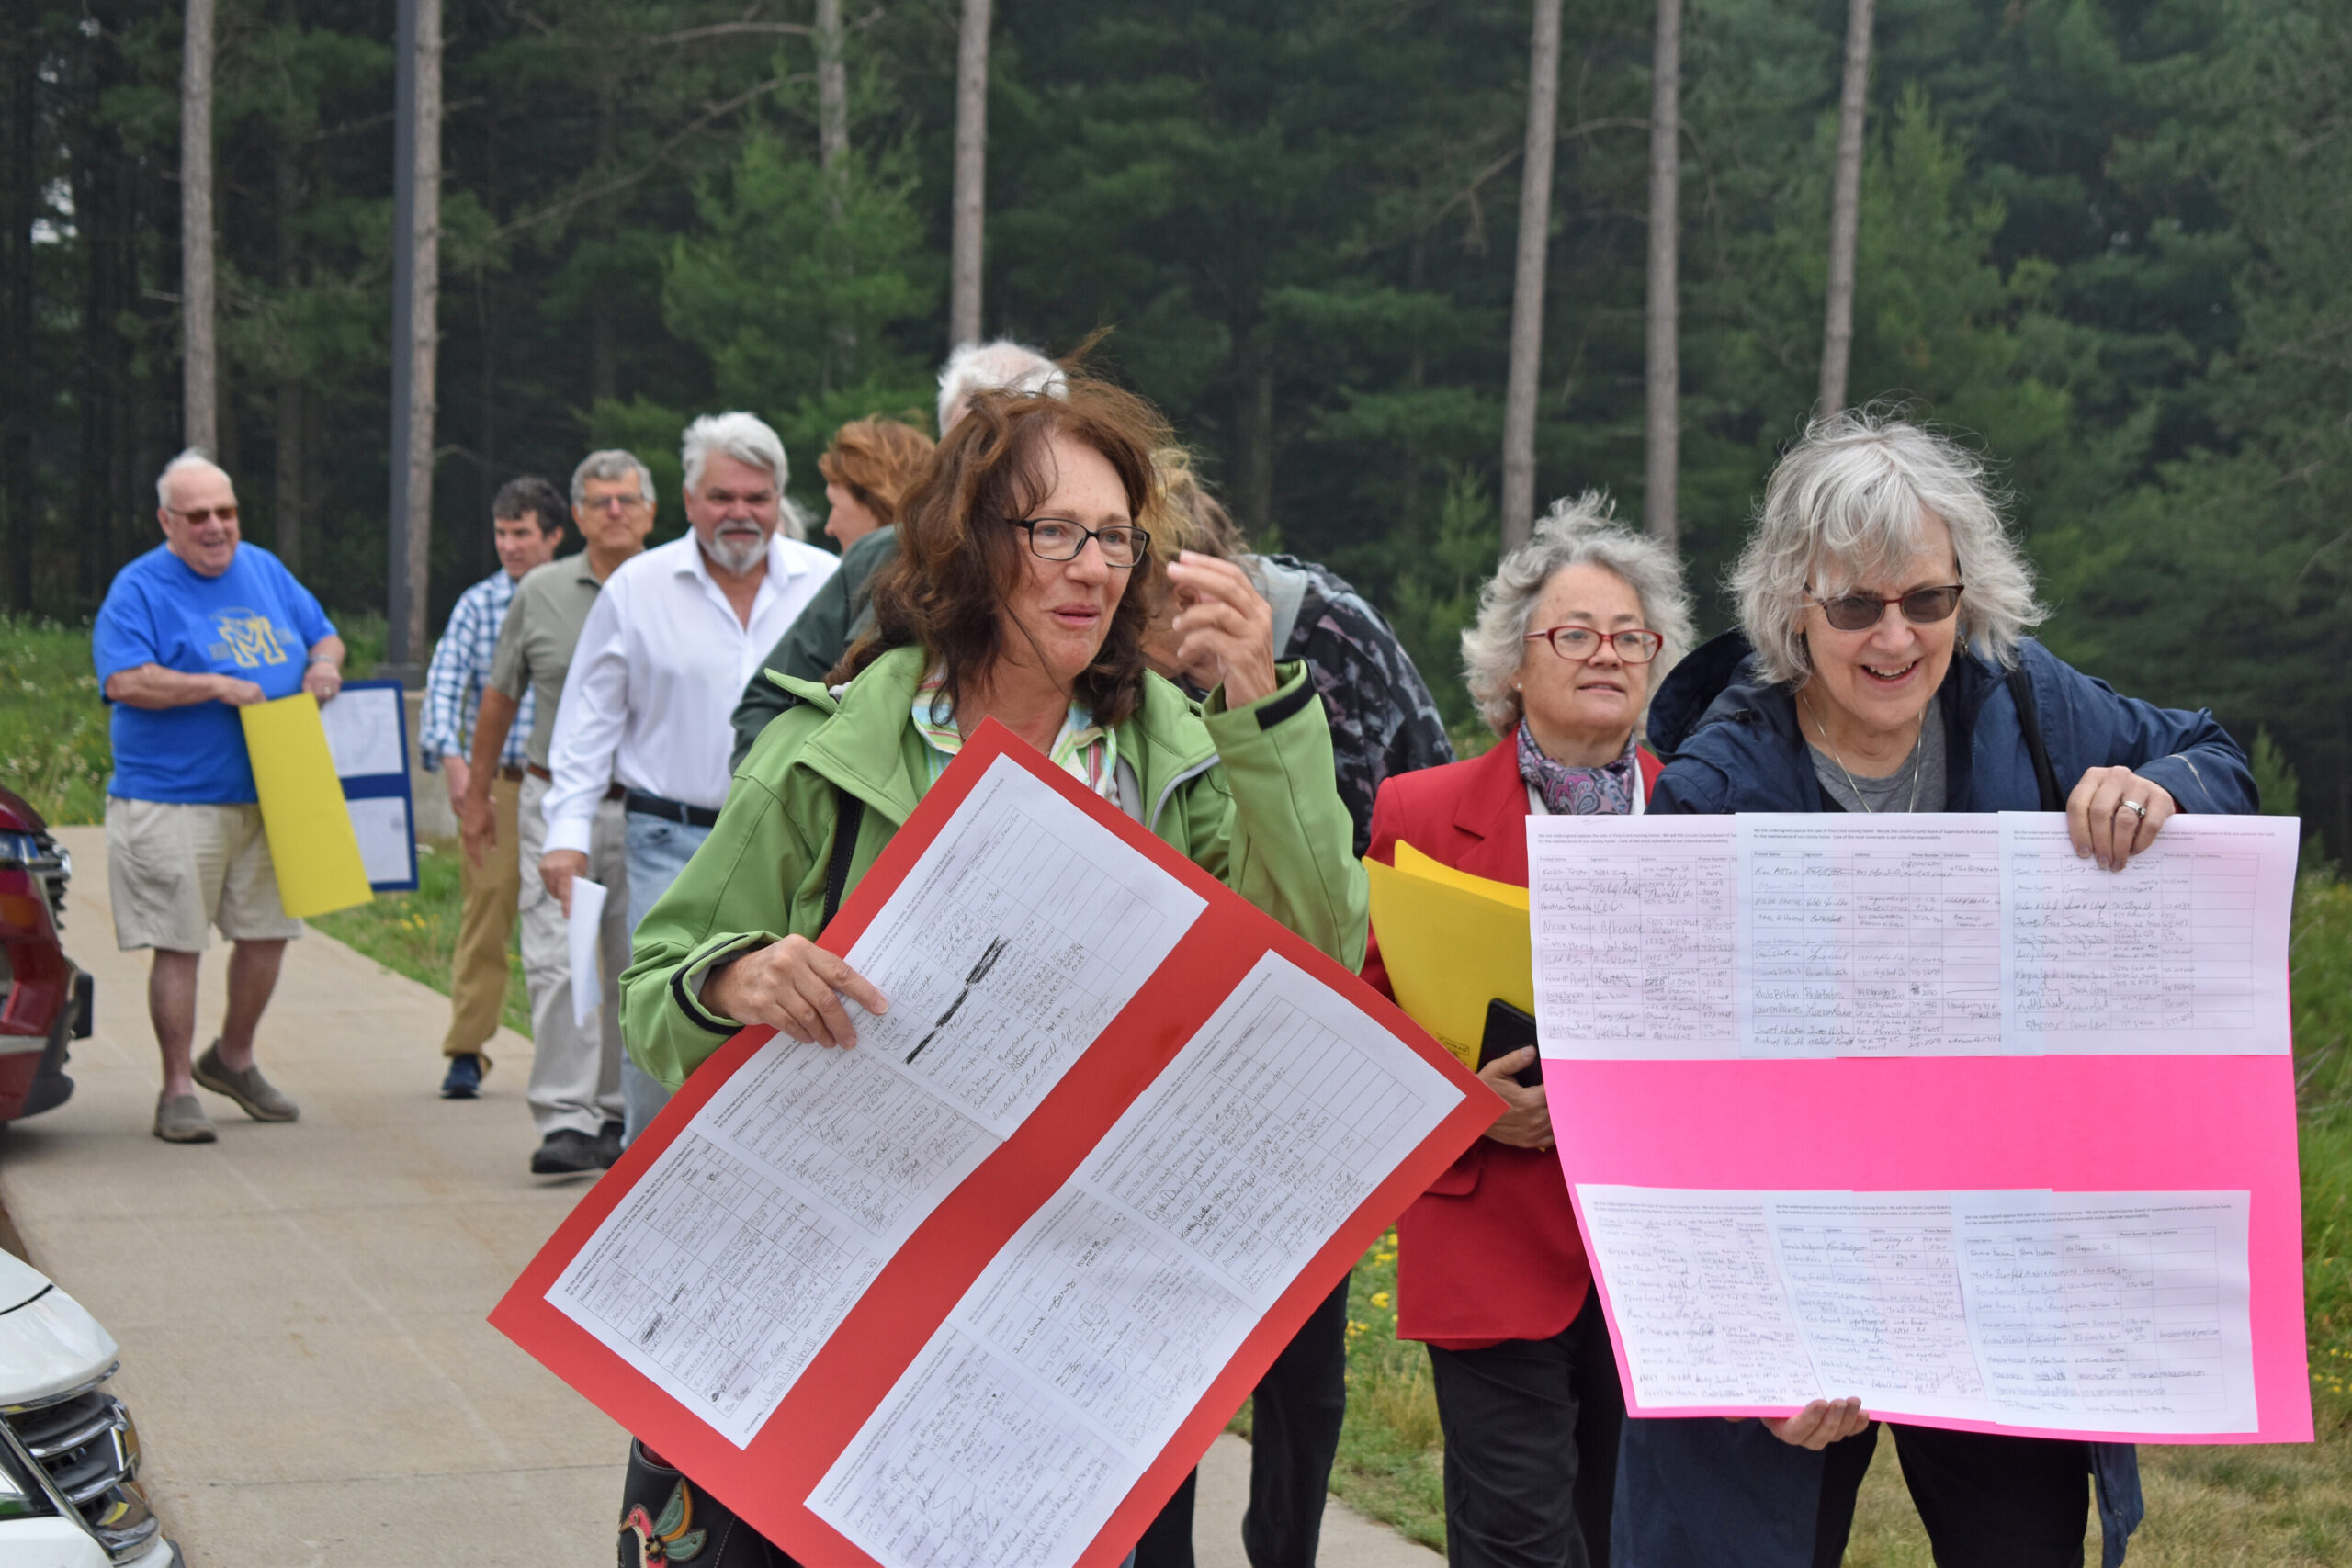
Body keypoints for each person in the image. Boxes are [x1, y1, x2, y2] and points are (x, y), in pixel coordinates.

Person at [614, 377, 1366, 1567]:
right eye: (1055, 530)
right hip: (833, 1294)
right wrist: (738, 976)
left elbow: (1318, 957)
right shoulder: (829, 749)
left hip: (1064, 1317)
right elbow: (658, 985)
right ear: (972, 543)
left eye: (1115, 536)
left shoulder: (1179, 762)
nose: (1091, 566)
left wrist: (1264, 710)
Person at [1622, 410, 2256, 1568]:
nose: (1895, 636)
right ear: (1790, 607)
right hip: (1799, 1259)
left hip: (1997, 1267)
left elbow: (2218, 756)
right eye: (1855, 606)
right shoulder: (1713, 788)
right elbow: (1673, 1110)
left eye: (1926, 599)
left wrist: (2160, 788)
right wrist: (1754, 1350)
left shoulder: (2024, 699)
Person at [1130, 451, 1454, 1568]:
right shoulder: (1083, 674)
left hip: (1303, 1041)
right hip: (1154, 1066)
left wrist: (1262, 706)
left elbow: (1423, 782)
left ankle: (1286, 1552)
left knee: (1302, 1358)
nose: (1157, 623)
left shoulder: (1333, 633)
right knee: (1158, 1365)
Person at [1357, 497, 1694, 1568]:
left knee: (1625, 1539)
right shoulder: (1417, 814)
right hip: (1492, 1237)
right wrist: (1469, 1103)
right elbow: (1368, 1029)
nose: (1607, 653)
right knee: (1516, 1544)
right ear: (1512, 664)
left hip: (1657, 1254)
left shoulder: (1708, 815)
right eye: (1575, 634)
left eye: (1628, 636)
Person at [538, 412, 839, 1145]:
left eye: (758, 497)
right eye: (722, 496)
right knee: (661, 1015)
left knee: (789, 1020)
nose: (741, 513)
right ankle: (647, 1180)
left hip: (791, 843)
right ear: (689, 499)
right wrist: (567, 835)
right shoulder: (638, 588)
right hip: (667, 840)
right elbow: (586, 723)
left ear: (779, 499)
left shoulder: (826, 585)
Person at [92, 449, 345, 1144]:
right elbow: (125, 680)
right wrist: (214, 684)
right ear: (167, 521)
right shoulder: (139, 587)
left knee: (270, 932)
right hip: (173, 797)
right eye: (198, 515)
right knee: (179, 943)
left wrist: (323, 663)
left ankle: (232, 1057)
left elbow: (323, 632)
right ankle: (177, 1088)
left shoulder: (263, 568)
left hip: (274, 789)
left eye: (226, 511)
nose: (216, 527)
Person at [458, 450, 655, 1175]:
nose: (612, 511)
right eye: (598, 500)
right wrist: (478, 797)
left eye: (625, 499)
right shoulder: (538, 591)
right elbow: (499, 697)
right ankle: (566, 1117)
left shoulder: (668, 585)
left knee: (632, 958)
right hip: (554, 798)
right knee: (559, 959)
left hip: (645, 807)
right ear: (574, 515)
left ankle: (616, 1112)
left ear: (650, 512)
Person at [729, 340, 1066, 763]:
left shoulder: (1097, 571)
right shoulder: (882, 554)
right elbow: (767, 702)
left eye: (1009, 442)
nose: (983, 462)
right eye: (968, 438)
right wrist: (791, 807)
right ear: (944, 448)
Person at [418, 475, 567, 1099]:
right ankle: (466, 1047)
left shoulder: (584, 597)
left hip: (572, 787)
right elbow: (446, 681)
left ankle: (576, 1058)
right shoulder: (478, 604)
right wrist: (453, 763)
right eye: (502, 533)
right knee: (488, 911)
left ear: (554, 536)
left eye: (522, 533)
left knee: (578, 923)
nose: (509, 545)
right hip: (502, 783)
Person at [726, 416, 935, 764]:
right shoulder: (852, 577)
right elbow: (768, 699)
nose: (829, 525)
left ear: (877, 500)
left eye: (834, 506)